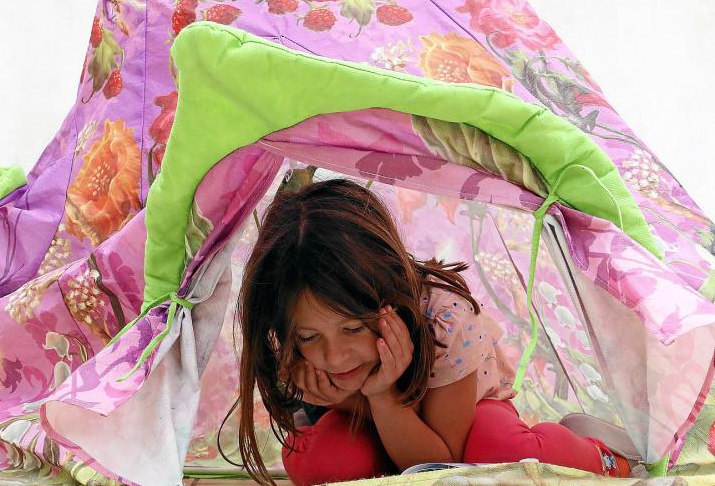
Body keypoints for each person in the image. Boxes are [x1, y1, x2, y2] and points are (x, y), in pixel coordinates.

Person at [231, 178, 635, 485]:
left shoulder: (445, 320)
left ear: (388, 297)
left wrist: (382, 398)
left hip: (463, 421)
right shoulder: (293, 328)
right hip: (363, 418)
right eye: (309, 337)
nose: (334, 357)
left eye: (352, 328)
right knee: (327, 463)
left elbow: (441, 465)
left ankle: (600, 455)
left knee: (496, 450)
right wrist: (348, 402)